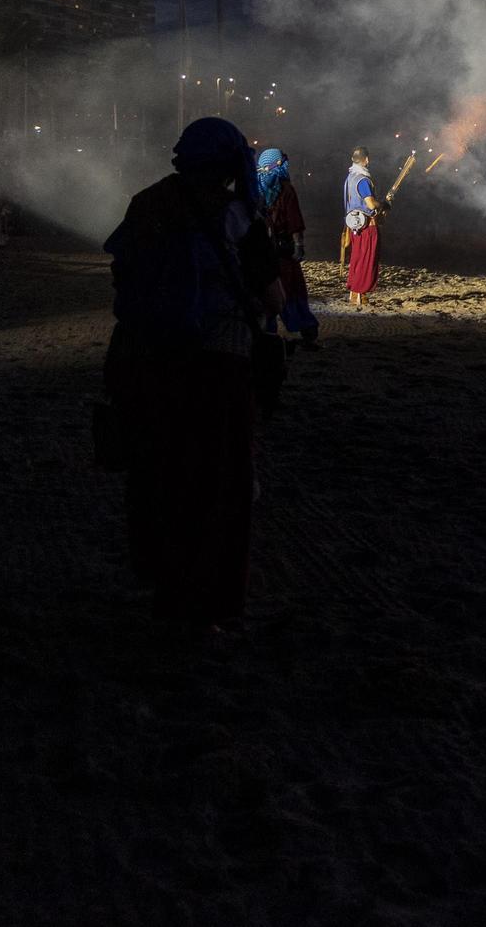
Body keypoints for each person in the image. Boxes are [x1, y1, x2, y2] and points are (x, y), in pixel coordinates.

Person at [102, 117, 281, 630]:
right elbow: (271, 296)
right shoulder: (237, 215)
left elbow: (124, 276)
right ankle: (208, 596)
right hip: (218, 366)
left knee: (160, 474)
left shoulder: (146, 204)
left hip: (149, 361)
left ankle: (163, 579)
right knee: (218, 481)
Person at [257, 147, 319, 346]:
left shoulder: (255, 189)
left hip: (261, 250)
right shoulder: (285, 189)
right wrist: (299, 245)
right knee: (292, 289)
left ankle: (268, 331)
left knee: (265, 290)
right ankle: (307, 329)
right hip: (283, 252)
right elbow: (294, 221)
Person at [343, 146, 384, 307]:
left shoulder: (350, 177)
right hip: (367, 226)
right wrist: (382, 205)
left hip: (355, 226)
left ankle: (354, 294)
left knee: (358, 259)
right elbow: (370, 203)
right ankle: (360, 293)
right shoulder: (363, 179)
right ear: (366, 159)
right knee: (366, 260)